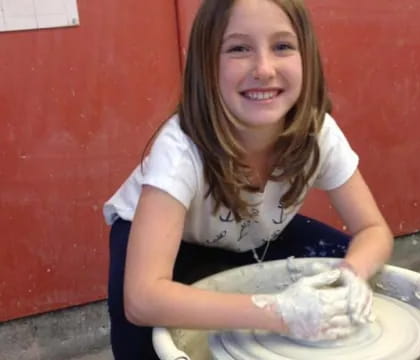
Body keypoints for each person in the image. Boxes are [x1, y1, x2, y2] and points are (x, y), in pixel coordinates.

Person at [103, 0, 394, 358]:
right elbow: (143, 298)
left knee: (341, 264)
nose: (264, 69)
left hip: (253, 229)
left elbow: (373, 231)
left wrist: (350, 277)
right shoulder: (181, 149)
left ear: (307, 57)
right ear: (206, 66)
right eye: (239, 49)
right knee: (145, 340)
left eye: (283, 46)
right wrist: (280, 313)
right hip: (172, 242)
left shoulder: (318, 132)